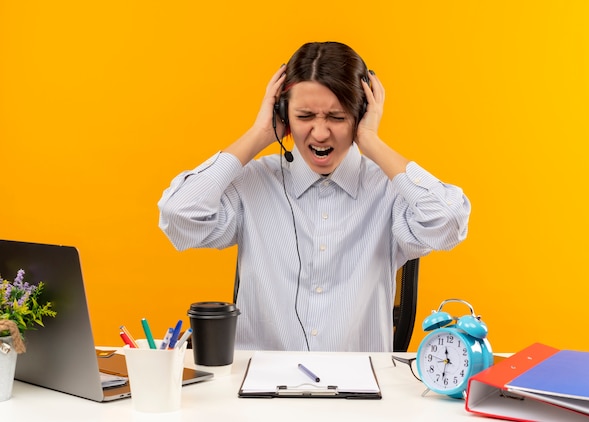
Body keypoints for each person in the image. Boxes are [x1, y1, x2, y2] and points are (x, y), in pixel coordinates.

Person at [158, 41, 470, 352]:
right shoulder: (252, 183)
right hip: (259, 389)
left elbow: (448, 221)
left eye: (337, 117)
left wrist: (371, 141)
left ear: (361, 115)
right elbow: (178, 215)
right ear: (282, 114)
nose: (320, 134)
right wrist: (259, 134)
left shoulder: (391, 190)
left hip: (360, 390)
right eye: (305, 116)